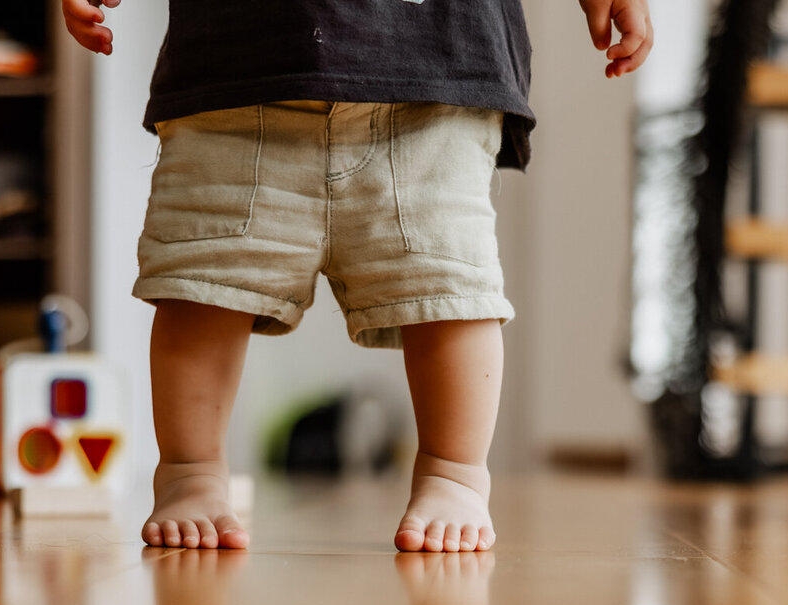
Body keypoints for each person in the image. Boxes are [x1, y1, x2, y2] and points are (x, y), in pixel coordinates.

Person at [62, 0, 652, 551]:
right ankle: (190, 471)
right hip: (235, 79)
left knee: (449, 289)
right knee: (201, 284)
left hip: (435, 84)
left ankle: (456, 473)